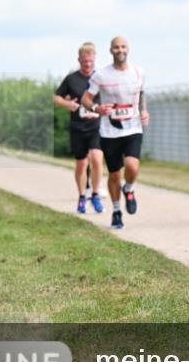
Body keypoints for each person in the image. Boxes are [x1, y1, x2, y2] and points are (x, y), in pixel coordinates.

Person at [82, 37, 149, 230]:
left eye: (123, 46)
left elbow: (142, 93)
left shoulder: (139, 72)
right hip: (109, 131)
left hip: (133, 127)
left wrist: (144, 111)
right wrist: (96, 108)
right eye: (116, 47)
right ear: (111, 50)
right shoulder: (101, 75)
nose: (120, 50)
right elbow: (85, 99)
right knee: (113, 175)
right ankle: (117, 211)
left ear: (128, 49)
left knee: (132, 165)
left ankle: (129, 189)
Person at [55, 42, 105, 214]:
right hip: (78, 127)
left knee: (97, 158)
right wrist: (68, 104)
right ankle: (82, 196)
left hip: (96, 126)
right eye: (84, 61)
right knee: (82, 163)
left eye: (90, 61)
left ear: (95, 59)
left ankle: (96, 195)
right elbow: (56, 98)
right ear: (79, 60)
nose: (88, 64)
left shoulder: (100, 77)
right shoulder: (72, 79)